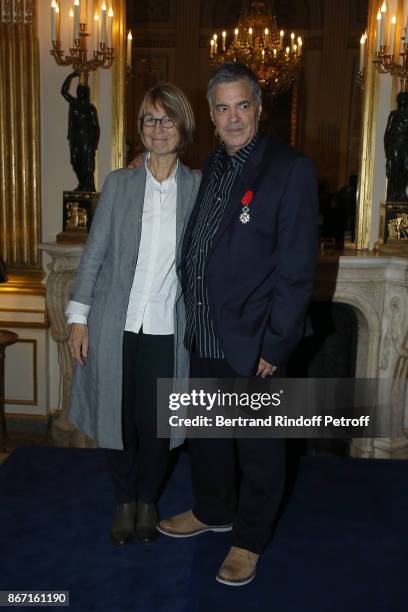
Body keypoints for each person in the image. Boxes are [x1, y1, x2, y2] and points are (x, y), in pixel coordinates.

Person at [157, 63, 318, 586]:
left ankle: (248, 538)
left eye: (242, 106)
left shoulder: (289, 169)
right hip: (204, 330)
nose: (232, 117)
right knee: (208, 436)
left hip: (256, 340)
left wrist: (278, 342)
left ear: (258, 108)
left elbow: (297, 269)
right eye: (222, 108)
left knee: (258, 445)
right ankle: (212, 509)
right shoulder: (215, 164)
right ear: (210, 114)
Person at [66, 83, 200, 546]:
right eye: (149, 119)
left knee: (159, 426)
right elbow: (94, 255)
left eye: (167, 119)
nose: (157, 129)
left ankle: (149, 499)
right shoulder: (119, 184)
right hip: (114, 326)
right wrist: (78, 319)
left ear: (183, 126)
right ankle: (126, 502)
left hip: (170, 330)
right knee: (117, 420)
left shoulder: (200, 188)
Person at [61, 71, 100, 192]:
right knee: (75, 161)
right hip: (75, 139)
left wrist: (94, 144)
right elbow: (63, 92)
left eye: (83, 91)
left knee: (87, 166)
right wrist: (71, 76)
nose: (80, 93)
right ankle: (82, 184)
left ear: (86, 93)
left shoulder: (90, 108)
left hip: (87, 140)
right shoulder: (74, 104)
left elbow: (96, 127)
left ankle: (87, 186)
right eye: (79, 91)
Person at [384, 91, 408, 202]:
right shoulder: (393, 114)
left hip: (406, 148)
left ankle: (401, 192)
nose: (402, 102)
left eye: (404, 99)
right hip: (395, 147)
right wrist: (387, 155)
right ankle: (396, 194)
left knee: (406, 169)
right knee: (396, 170)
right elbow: (387, 134)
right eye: (401, 99)